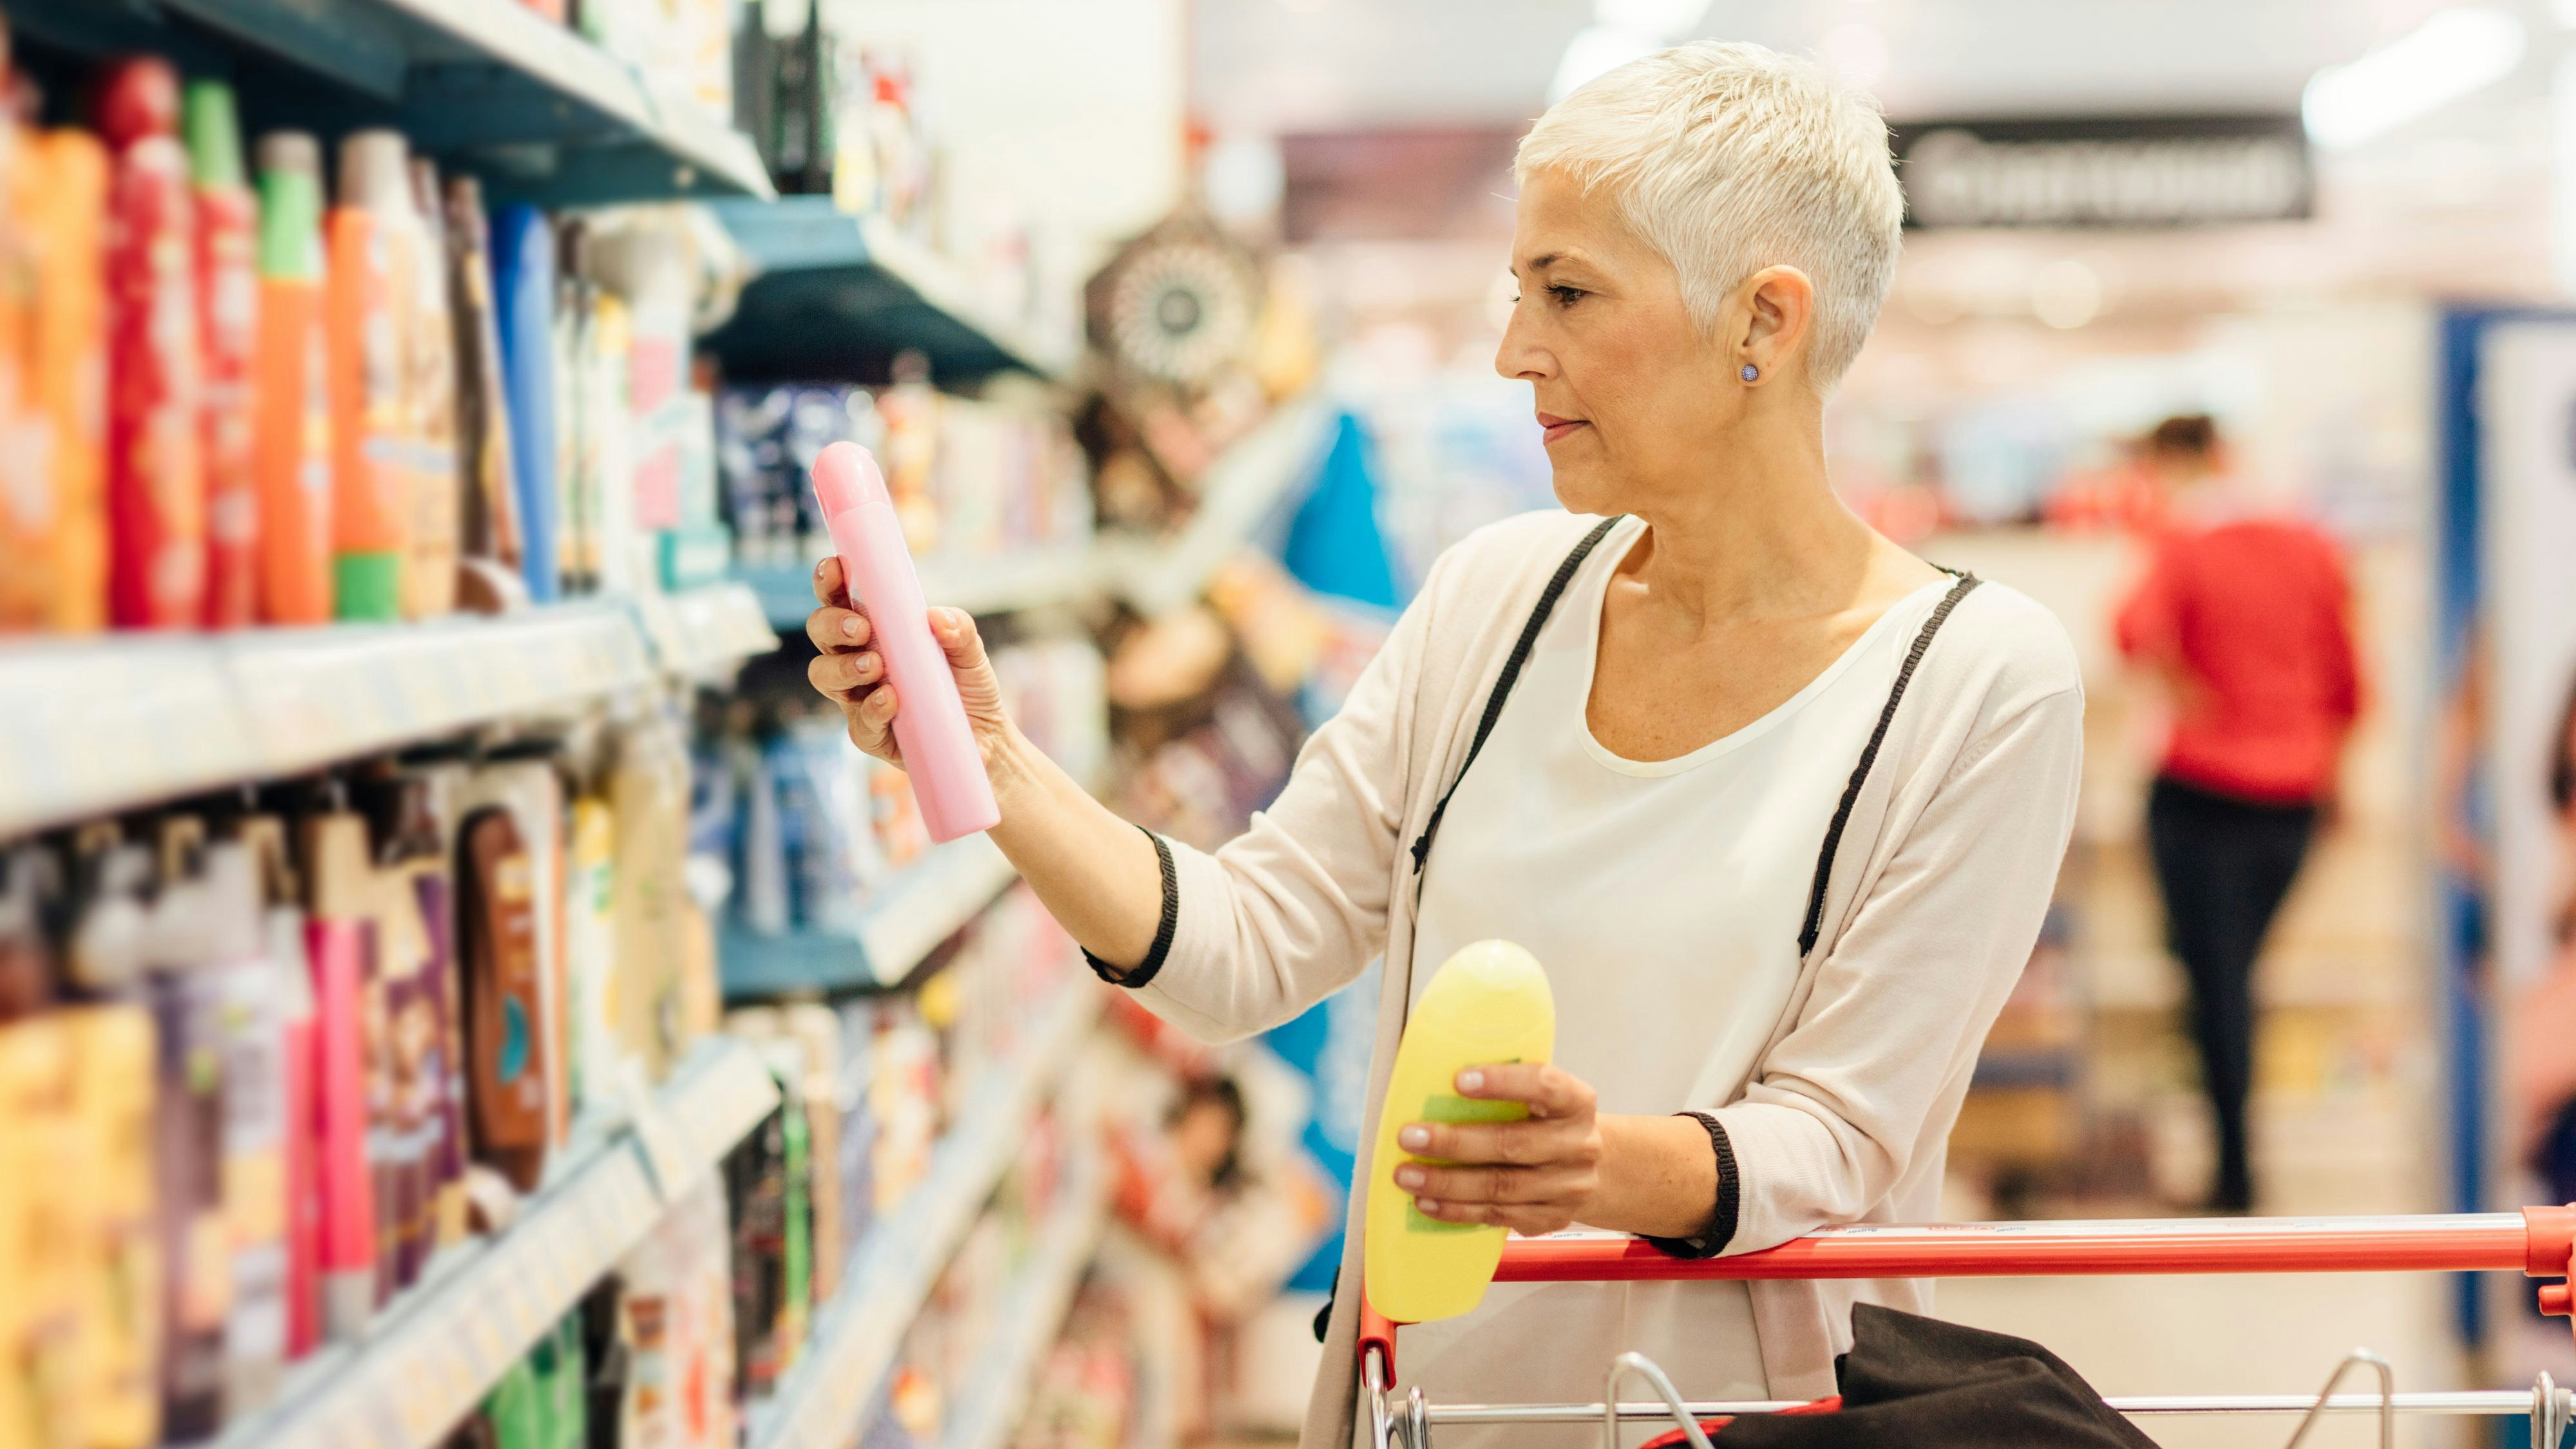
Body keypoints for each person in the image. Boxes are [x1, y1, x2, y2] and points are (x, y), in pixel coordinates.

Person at [806, 42, 2083, 1448]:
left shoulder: (1971, 682)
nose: (1511, 348)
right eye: (1517, 289)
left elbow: (1839, 1142)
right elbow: (1248, 943)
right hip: (1427, 1410)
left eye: (1568, 293)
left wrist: (1591, 1166)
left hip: (1734, 1422)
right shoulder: (1498, 599)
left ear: (1762, 325)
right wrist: (1000, 768)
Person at [2114, 413, 2363, 1214]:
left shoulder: (2184, 541)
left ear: (2171, 462)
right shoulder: (2312, 544)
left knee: (2214, 983)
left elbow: (2130, 633)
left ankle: (2235, 1178)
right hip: (2292, 800)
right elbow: (2350, 683)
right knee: (2237, 977)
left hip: (2201, 792)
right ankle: (2237, 1168)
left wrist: (2189, 693)